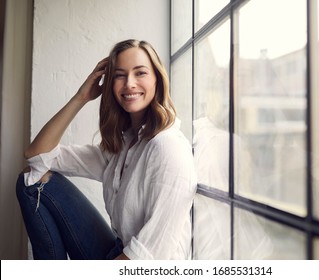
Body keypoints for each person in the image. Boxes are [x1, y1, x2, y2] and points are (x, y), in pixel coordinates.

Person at [15, 39, 197, 260]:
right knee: (31, 181)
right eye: (120, 75)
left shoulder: (168, 147)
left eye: (140, 73)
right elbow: (37, 157)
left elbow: (151, 256)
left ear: (157, 80)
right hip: (118, 253)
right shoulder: (122, 147)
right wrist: (81, 97)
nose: (129, 83)